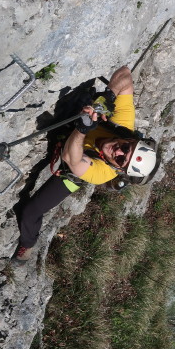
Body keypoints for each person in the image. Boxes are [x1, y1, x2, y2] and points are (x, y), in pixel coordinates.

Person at [12, 66, 158, 262]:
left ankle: (27, 244)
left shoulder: (103, 173)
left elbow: (71, 160)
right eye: (126, 147)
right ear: (131, 139)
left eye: (122, 159)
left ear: (120, 169)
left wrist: (81, 130)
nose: (119, 151)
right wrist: (109, 96)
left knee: (31, 211)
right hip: (74, 129)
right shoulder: (124, 128)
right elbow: (125, 75)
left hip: (71, 170)